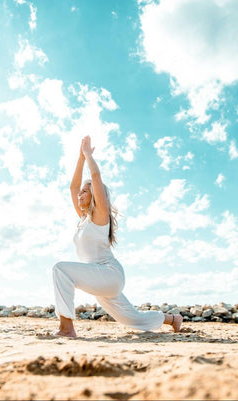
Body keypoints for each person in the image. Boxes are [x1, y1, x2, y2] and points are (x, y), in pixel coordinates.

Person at [52, 135, 182, 338]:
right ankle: (172, 319)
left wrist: (88, 155)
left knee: (60, 269)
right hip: (97, 277)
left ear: (94, 195)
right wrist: (80, 158)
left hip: (108, 273)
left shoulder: (100, 216)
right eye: (81, 193)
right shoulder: (84, 220)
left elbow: (95, 177)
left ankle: (67, 328)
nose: (79, 195)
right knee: (132, 318)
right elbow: (72, 187)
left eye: (85, 192)